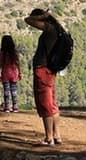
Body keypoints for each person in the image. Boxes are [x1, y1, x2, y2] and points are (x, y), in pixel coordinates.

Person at [25, 8, 63, 146]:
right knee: (52, 103)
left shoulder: (49, 29)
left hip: (43, 69)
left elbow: (27, 20)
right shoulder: (56, 29)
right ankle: (57, 135)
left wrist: (42, 16)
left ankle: (49, 137)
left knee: (45, 103)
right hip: (51, 70)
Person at [0, 35, 22, 113]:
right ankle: (15, 107)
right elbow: (18, 63)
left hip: (5, 73)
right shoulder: (14, 53)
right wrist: (20, 73)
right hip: (14, 73)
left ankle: (7, 107)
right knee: (14, 90)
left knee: (6, 91)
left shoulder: (2, 54)